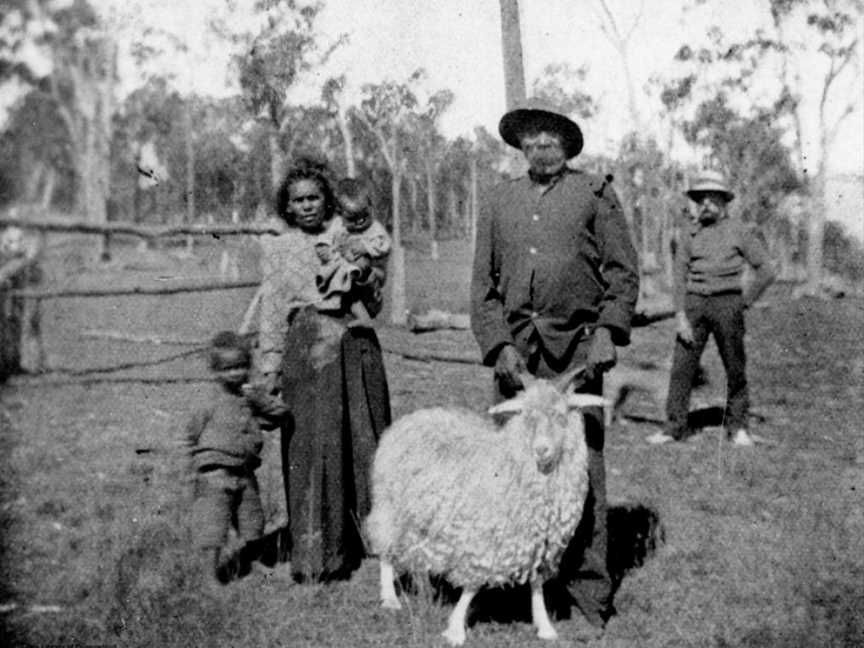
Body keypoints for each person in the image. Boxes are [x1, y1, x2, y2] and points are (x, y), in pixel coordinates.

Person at [470, 102, 639, 638]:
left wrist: (609, 331)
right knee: (508, 468)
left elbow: (623, 272)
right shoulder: (500, 200)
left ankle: (589, 593)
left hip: (576, 354)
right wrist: (497, 344)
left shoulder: (593, 195)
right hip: (518, 358)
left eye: (551, 139)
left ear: (568, 147)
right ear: (519, 148)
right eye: (531, 140)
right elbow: (483, 287)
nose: (540, 148)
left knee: (582, 468)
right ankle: (504, 584)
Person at [254, 159, 392, 582]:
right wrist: (270, 369)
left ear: (327, 199)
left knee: (362, 442)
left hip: (353, 347)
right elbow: (274, 311)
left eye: (314, 197)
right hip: (306, 350)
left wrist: (367, 273)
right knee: (311, 449)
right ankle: (319, 555)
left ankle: (377, 546)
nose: (308, 206)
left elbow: (374, 302)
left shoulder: (347, 232)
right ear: (288, 207)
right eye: (298, 200)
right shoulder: (277, 248)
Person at [648, 169, 775, 447]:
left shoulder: (739, 232)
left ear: (724, 202)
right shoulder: (689, 233)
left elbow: (766, 269)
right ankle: (673, 427)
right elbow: (679, 277)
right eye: (701, 199)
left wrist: (744, 301)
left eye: (712, 198)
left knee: (735, 367)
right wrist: (680, 314)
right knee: (682, 367)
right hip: (693, 305)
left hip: (727, 304)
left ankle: (738, 427)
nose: (706, 204)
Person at [186, 331, 282, 584]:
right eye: (228, 369)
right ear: (216, 372)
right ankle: (210, 576)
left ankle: (255, 561)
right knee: (213, 526)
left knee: (253, 520)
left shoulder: (248, 398)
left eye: (241, 366)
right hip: (214, 473)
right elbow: (189, 435)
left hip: (244, 471)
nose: (236, 373)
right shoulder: (208, 402)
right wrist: (189, 469)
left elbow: (280, 414)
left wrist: (259, 399)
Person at [313, 177, 392, 328]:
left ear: (371, 207)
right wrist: (324, 247)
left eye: (365, 215)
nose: (360, 222)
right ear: (340, 214)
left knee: (355, 270)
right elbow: (326, 237)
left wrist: (366, 247)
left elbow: (385, 245)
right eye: (353, 218)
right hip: (344, 273)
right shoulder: (338, 225)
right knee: (330, 275)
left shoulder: (374, 228)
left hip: (370, 278)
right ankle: (333, 302)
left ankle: (363, 315)